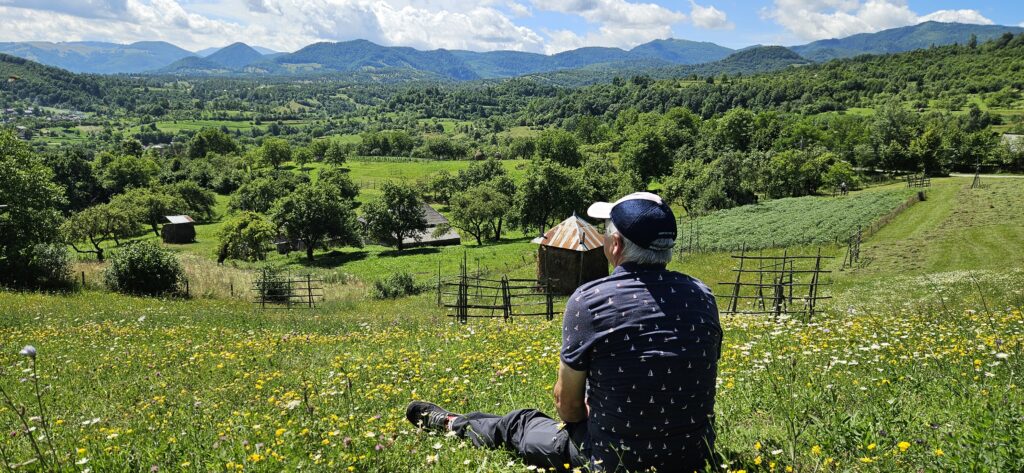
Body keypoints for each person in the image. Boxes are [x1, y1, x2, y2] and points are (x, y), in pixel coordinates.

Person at [407, 192, 722, 472]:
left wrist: (591, 415)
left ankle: (453, 424)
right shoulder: (702, 295)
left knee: (520, 424)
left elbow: (569, 409)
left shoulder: (592, 300)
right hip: (694, 455)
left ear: (615, 245)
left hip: (613, 458)